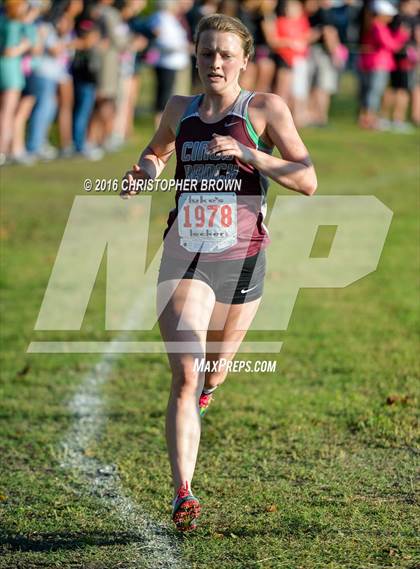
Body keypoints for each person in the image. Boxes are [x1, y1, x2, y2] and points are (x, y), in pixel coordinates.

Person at [122, 13, 317, 532]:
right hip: (183, 256)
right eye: (207, 53)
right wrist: (145, 171)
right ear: (196, 56)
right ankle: (184, 493)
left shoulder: (264, 108)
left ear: (244, 61)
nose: (216, 62)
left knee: (214, 371)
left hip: (243, 262)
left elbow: (307, 178)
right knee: (185, 372)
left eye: (226, 54)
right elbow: (156, 151)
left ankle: (210, 389)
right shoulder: (179, 109)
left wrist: (250, 153)